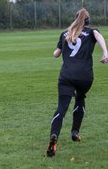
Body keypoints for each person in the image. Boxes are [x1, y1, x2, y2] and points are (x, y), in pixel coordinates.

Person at [46, 8, 108, 157]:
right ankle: (75, 132)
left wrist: (59, 50)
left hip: (66, 76)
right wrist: (105, 52)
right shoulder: (92, 31)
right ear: (88, 21)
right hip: (85, 77)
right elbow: (98, 36)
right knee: (80, 99)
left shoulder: (65, 33)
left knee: (61, 107)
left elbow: (56, 54)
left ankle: (54, 136)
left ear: (75, 19)